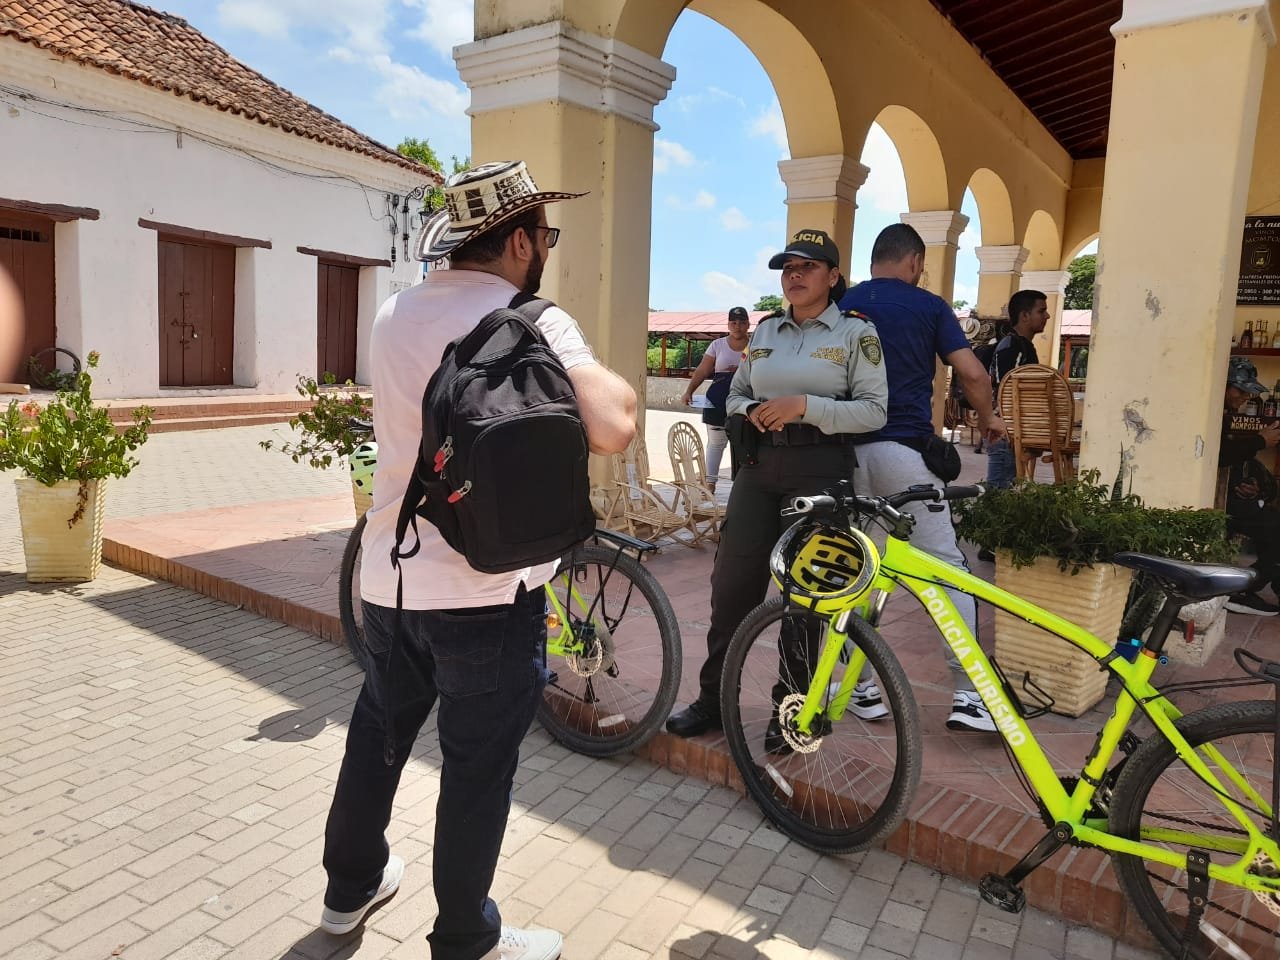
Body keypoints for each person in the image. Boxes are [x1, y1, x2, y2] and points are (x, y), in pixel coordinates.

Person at [319, 160, 637, 960]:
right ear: (522, 239)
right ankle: (466, 937)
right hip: (489, 593)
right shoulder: (532, 317)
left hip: (389, 579)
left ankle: (348, 890)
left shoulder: (394, 313)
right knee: (476, 767)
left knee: (378, 739)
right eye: (546, 235)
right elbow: (616, 427)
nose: (547, 249)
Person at [665, 228, 888, 739]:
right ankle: (713, 700)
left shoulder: (857, 333)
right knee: (732, 588)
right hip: (759, 468)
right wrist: (751, 411)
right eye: (788, 267)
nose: (794, 275)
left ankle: (791, 711)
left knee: (804, 598)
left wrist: (805, 406)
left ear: (833, 276)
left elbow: (875, 410)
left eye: (807, 267)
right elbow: (738, 392)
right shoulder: (765, 331)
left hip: (820, 470)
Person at [839, 223, 1009, 732]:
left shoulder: (841, 303)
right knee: (947, 567)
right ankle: (971, 695)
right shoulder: (929, 306)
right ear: (913, 261)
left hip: (841, 456)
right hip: (902, 453)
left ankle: (859, 687)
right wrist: (991, 419)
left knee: (858, 568)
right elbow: (973, 375)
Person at [1220, 356, 1280, 616]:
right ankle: (1243, 590)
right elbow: (1219, 455)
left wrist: (1251, 486)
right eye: (1240, 390)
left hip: (1229, 498)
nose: (1244, 397)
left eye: (1247, 391)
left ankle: (1247, 587)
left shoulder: (1227, 415)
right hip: (1216, 505)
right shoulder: (1211, 415)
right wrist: (1259, 441)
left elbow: (1232, 461)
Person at [986, 289, 1050, 490]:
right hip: (1007, 432)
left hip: (1012, 431)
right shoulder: (1012, 345)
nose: (1047, 316)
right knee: (998, 496)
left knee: (1005, 495)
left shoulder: (1022, 346)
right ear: (1024, 315)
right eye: (1042, 311)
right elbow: (1006, 387)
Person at [682, 306, 751, 490]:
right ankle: (709, 484)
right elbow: (703, 370)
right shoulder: (717, 345)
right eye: (733, 322)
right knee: (716, 443)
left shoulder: (755, 345)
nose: (737, 326)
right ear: (728, 324)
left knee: (744, 444)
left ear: (748, 324)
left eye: (742, 322)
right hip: (718, 402)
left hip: (746, 402)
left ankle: (743, 488)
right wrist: (689, 391)